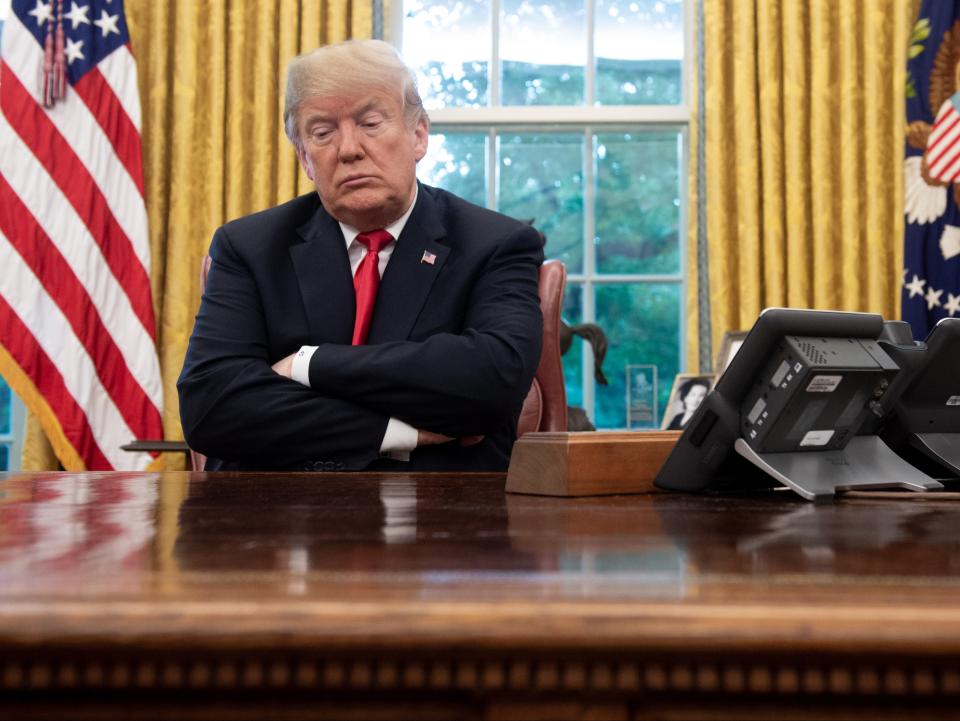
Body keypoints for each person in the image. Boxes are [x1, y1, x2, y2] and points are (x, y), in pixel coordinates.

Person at [177, 40, 544, 472]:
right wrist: (399, 432)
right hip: (276, 521)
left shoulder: (495, 243)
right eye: (322, 132)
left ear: (418, 135)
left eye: (370, 122)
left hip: (443, 520)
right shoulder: (249, 246)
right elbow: (211, 407)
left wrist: (307, 364)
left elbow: (491, 383)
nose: (348, 148)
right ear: (305, 158)